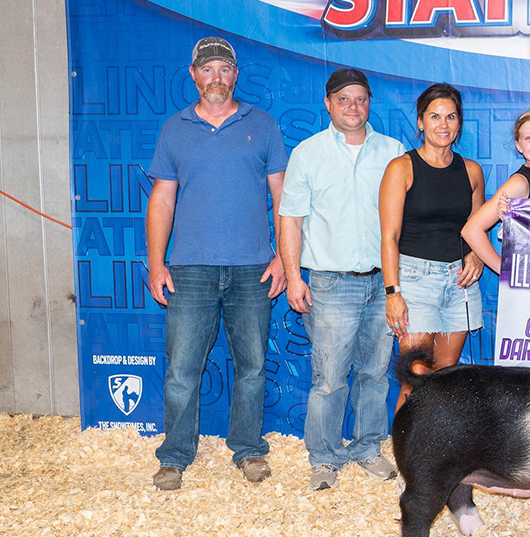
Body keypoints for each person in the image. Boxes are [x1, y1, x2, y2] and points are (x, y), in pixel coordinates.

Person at [145, 36, 288, 491]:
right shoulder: (175, 128)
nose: (216, 78)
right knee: (182, 369)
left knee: (251, 365)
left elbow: (283, 197)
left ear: (235, 75)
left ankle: (248, 449)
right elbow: (162, 199)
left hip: (252, 268)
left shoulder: (262, 125)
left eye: (224, 69)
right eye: (207, 70)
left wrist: (286, 259)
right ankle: (174, 456)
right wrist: (156, 262)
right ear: (194, 75)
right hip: (189, 269)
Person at [278, 68, 406, 491]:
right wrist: (294, 277)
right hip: (331, 283)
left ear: (370, 103)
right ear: (329, 104)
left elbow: (409, 219)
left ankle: (368, 447)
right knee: (330, 377)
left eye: (361, 99)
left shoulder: (393, 151)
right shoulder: (308, 153)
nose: (354, 106)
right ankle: (324, 458)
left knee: (375, 372)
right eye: (344, 99)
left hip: (383, 281)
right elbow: (291, 220)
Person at [380, 83, 485, 410]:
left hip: (459, 285)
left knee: (443, 381)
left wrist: (476, 256)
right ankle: (406, 459)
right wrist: (393, 293)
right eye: (435, 116)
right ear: (421, 122)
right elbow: (388, 237)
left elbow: (475, 230)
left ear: (459, 124)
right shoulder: (402, 168)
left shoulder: (472, 172)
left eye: (451, 117)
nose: (443, 124)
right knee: (416, 380)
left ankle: (435, 460)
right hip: (414, 282)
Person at [461, 109, 530, 273]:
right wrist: (506, 272)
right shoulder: (520, 183)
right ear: (519, 145)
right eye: (529, 137)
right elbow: (471, 230)